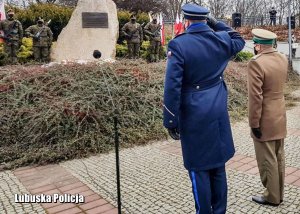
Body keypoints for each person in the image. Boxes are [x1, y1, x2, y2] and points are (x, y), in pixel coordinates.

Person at [163, 3, 245, 213]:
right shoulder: (221, 39)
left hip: (193, 114)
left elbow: (172, 87)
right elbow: (239, 39)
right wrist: (217, 24)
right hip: (217, 109)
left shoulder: (179, 45)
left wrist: (170, 120)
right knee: (218, 166)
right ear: (205, 19)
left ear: (186, 20)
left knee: (199, 168)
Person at [248, 29, 288, 206]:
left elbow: (255, 97)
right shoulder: (282, 58)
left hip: (265, 116)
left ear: (257, 45)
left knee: (267, 158)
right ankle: (278, 194)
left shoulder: (256, 63)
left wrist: (254, 122)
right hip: (280, 112)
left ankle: (271, 197)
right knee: (278, 155)